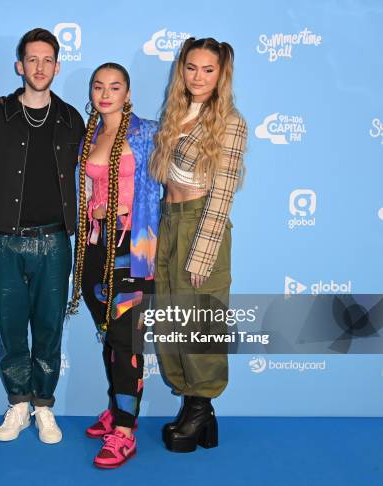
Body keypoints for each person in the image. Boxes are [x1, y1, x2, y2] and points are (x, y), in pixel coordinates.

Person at [0, 28, 85, 444]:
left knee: (50, 327)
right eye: (32, 60)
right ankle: (18, 402)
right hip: (3, 242)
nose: (40, 67)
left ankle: (44, 406)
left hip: (54, 242)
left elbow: (97, 171)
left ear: (57, 66)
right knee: (10, 327)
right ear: (20, 65)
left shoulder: (72, 119)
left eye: (47, 60)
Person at [149, 37, 247, 453]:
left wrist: (203, 252)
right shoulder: (175, 113)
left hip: (201, 223)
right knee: (171, 319)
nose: (199, 77)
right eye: (192, 67)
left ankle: (199, 407)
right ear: (181, 69)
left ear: (221, 73)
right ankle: (197, 412)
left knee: (200, 323)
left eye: (208, 69)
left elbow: (222, 193)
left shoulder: (230, 121)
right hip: (168, 222)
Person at [68, 63, 160, 468]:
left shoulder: (147, 133)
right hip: (95, 247)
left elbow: (165, 184)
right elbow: (86, 192)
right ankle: (116, 405)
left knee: (127, 340)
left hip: (133, 249)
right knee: (110, 333)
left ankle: (124, 429)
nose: (105, 93)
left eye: (115, 87)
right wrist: (97, 206)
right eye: (98, 86)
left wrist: (133, 206)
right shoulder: (90, 135)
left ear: (128, 92)